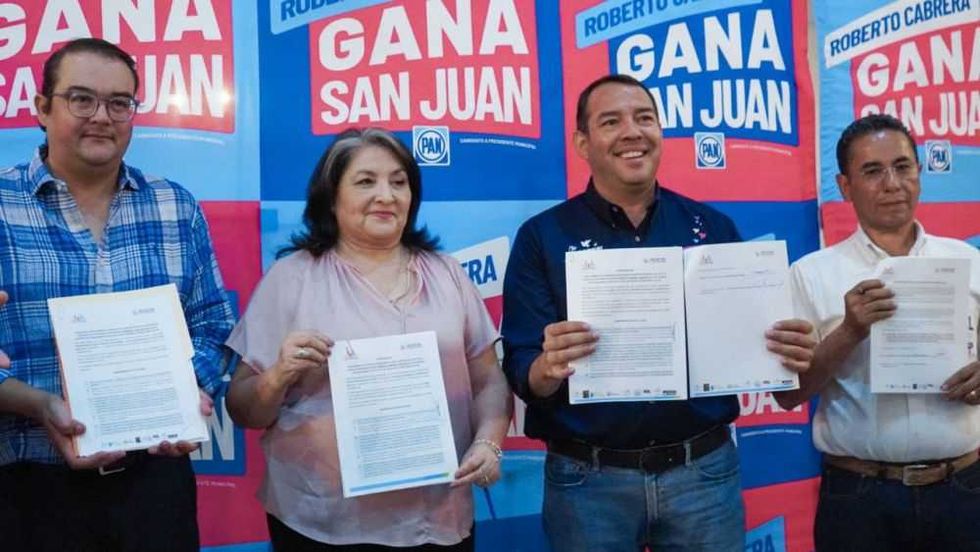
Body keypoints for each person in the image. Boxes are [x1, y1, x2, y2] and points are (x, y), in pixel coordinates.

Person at [500, 73, 816, 552]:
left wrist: (783, 352)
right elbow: (523, 369)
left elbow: (767, 369)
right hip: (588, 483)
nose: (632, 131)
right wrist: (548, 366)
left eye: (644, 118)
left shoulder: (714, 229)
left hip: (703, 476)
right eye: (611, 121)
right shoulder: (542, 238)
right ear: (582, 144)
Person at [225, 127, 512, 551]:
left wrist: (489, 442)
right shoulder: (293, 279)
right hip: (321, 522)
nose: (386, 195)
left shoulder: (447, 273)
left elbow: (488, 379)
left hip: (439, 516)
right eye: (365, 181)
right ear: (331, 196)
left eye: (399, 182)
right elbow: (242, 407)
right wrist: (278, 375)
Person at [0, 38, 235, 551]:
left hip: (154, 483)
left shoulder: (175, 205)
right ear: (43, 108)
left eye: (119, 102)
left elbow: (214, 322)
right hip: (25, 485)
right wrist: (38, 404)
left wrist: (187, 393)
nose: (101, 116)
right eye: (81, 99)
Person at [775, 113, 980, 551]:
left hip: (964, 489)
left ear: (920, 174)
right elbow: (788, 394)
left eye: (903, 167)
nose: (892, 183)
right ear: (845, 186)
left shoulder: (968, 261)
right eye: (872, 171)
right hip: (860, 497)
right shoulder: (811, 275)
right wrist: (848, 331)